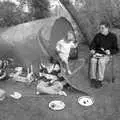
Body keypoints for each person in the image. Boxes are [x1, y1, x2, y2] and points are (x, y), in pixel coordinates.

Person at [90, 21, 119, 88]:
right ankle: (93, 79)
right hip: (97, 54)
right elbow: (92, 44)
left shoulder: (113, 36)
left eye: (102, 28)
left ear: (107, 28)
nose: (100, 29)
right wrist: (92, 49)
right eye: (100, 28)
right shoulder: (97, 35)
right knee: (93, 60)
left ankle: (99, 80)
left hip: (106, 55)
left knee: (101, 61)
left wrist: (110, 51)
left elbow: (116, 49)